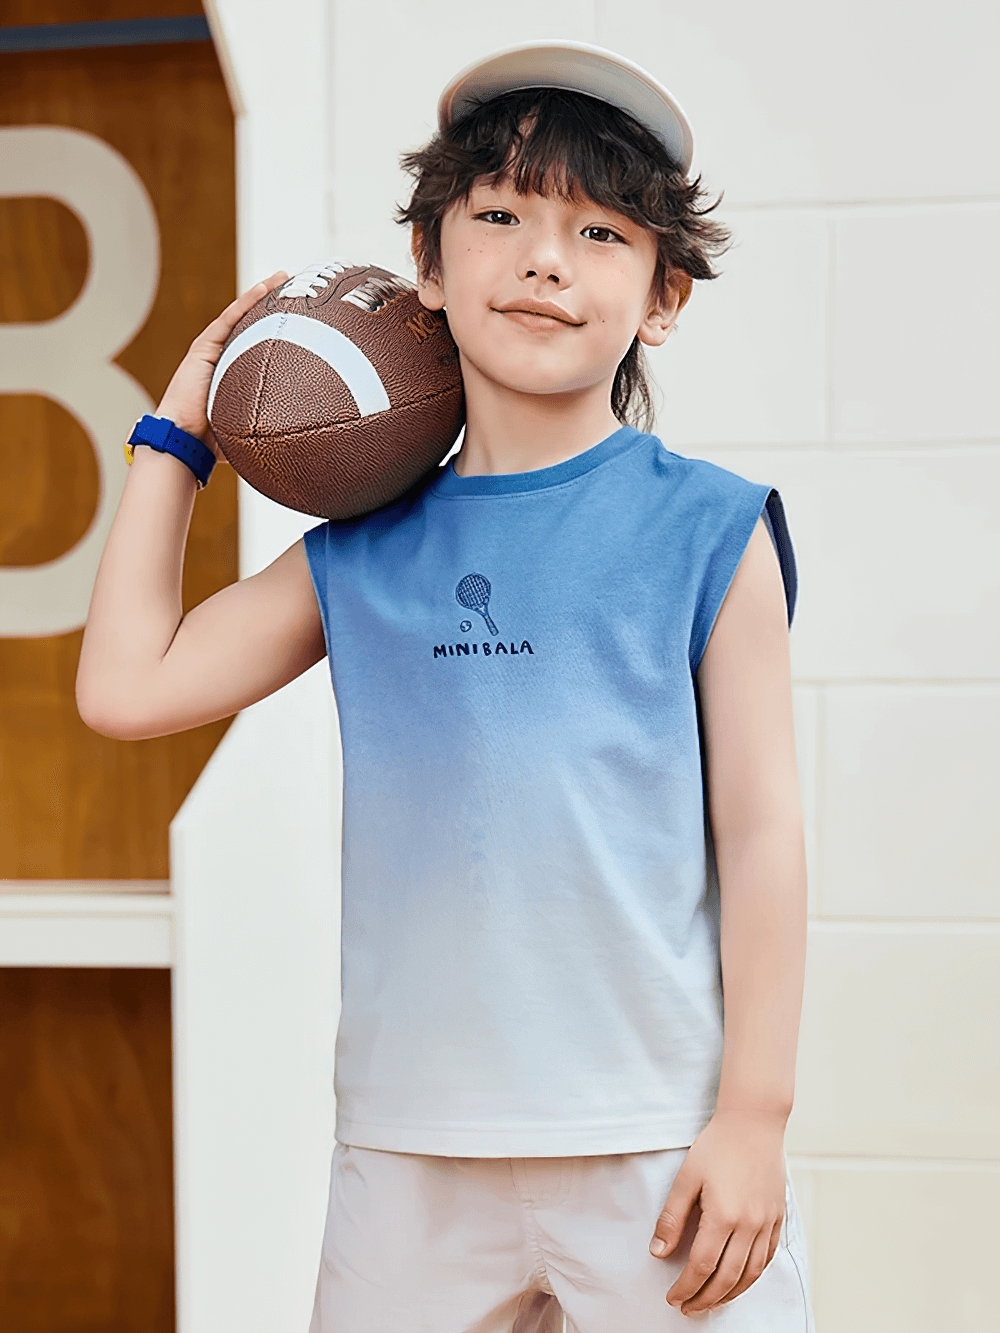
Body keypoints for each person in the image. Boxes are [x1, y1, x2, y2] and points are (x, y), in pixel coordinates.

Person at [77, 40, 815, 1333]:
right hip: (407, 1153)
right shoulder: (360, 553)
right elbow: (128, 689)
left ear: (663, 299)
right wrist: (177, 438)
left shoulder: (710, 527)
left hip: (652, 1143)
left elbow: (762, 834)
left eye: (600, 231)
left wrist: (753, 1117)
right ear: (425, 265)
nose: (543, 257)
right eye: (499, 215)